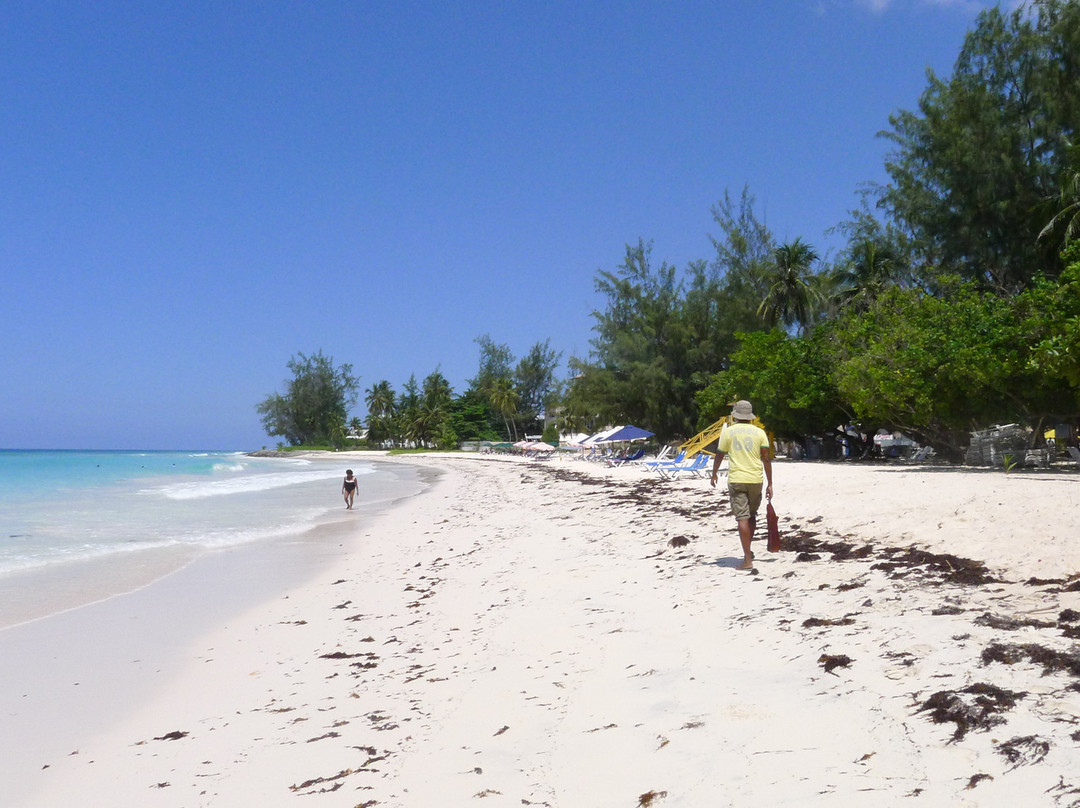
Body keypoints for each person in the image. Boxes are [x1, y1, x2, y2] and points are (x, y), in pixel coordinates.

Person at [710, 400, 773, 571]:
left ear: (736, 415)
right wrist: (770, 483)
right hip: (756, 479)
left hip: (737, 479)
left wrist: (714, 473)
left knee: (742, 518)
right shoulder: (760, 432)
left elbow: (719, 455)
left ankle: (747, 559)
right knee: (751, 515)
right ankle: (748, 551)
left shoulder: (729, 432)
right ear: (750, 416)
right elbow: (766, 458)